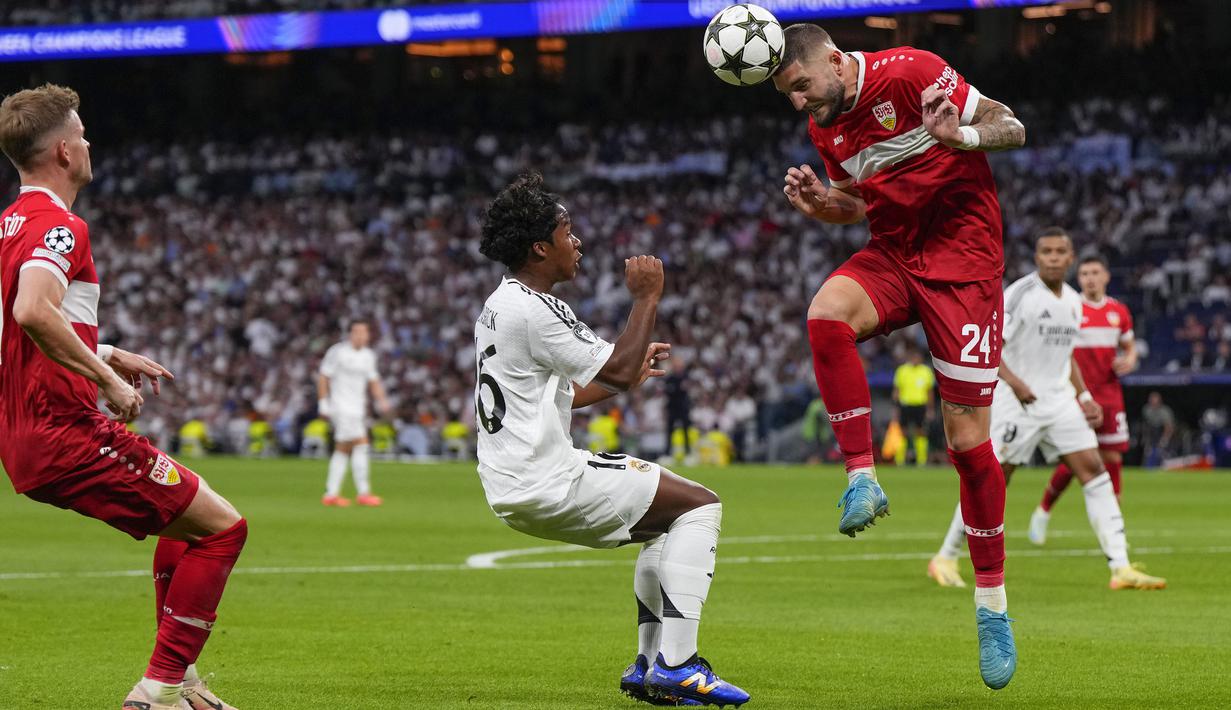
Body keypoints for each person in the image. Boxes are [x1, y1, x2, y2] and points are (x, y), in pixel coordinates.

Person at [772, 24, 1026, 688]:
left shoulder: (911, 71)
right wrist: (825, 209)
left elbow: (1011, 126)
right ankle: (861, 475)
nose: (799, 102)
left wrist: (957, 137)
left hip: (964, 265)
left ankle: (991, 606)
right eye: (787, 95)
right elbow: (860, 203)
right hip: (892, 255)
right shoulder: (825, 129)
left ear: (833, 60)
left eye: (801, 86)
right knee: (825, 316)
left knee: (967, 447)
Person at [0, 84, 245, 710]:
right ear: (61, 151)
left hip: (26, 433)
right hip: (67, 432)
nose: (87, 142)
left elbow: (19, 328)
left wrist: (106, 354)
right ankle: (159, 688)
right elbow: (31, 310)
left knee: (192, 523)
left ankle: (180, 682)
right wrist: (106, 381)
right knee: (224, 529)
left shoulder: (9, 226)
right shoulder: (60, 225)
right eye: (80, 134)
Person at [473, 173, 748, 707]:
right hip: (548, 480)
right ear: (539, 247)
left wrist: (626, 374)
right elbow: (618, 370)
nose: (576, 242)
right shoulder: (536, 308)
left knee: (667, 521)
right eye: (566, 231)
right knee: (701, 507)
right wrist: (647, 298)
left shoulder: (500, 305)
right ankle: (678, 665)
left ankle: (647, 666)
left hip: (512, 482)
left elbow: (563, 395)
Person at [928, 229, 1165, 594]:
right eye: (1046, 252)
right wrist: (1016, 383)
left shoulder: (1073, 301)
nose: (1053, 257)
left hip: (1058, 402)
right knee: (991, 481)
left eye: (1060, 252)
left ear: (1070, 258)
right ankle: (945, 556)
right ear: (1037, 257)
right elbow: (994, 347)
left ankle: (1121, 566)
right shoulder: (1019, 295)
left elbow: (1067, 355)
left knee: (1095, 470)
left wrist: (1084, 396)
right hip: (1016, 404)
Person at [1028, 255, 1137, 544]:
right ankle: (1043, 511)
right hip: (1075, 395)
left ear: (1106, 277)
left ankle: (1115, 529)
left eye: (1095, 272)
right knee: (1076, 459)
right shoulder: (1070, 307)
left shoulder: (1119, 311)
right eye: (1085, 273)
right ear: (1079, 279)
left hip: (1110, 396)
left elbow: (1129, 346)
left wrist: (1130, 359)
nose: (1090, 277)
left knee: (1112, 458)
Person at [317, 319, 391, 506]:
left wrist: (382, 401)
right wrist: (323, 403)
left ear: (368, 335)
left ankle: (332, 494)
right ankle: (361, 493)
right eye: (356, 331)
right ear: (350, 333)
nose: (360, 335)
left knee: (346, 448)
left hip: (357, 408)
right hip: (341, 407)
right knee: (359, 444)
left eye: (363, 332)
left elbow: (373, 381)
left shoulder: (368, 356)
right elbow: (324, 376)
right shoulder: (338, 352)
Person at [892, 346, 935, 466]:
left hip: (920, 405)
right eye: (914, 357)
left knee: (920, 432)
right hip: (905, 405)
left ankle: (921, 460)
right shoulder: (902, 370)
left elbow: (929, 391)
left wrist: (930, 409)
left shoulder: (925, 371)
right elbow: (897, 390)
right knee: (903, 432)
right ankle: (900, 460)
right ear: (910, 358)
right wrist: (895, 407)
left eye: (918, 357)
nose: (916, 359)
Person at [1140, 391, 1176, 467]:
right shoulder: (1147, 410)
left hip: (1162, 435)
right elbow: (1146, 426)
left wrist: (1164, 440)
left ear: (1159, 400)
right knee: (1148, 455)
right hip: (1151, 437)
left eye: (1155, 399)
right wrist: (1146, 441)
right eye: (1151, 399)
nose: (1152, 401)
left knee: (1160, 456)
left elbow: (1169, 427)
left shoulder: (1164, 411)